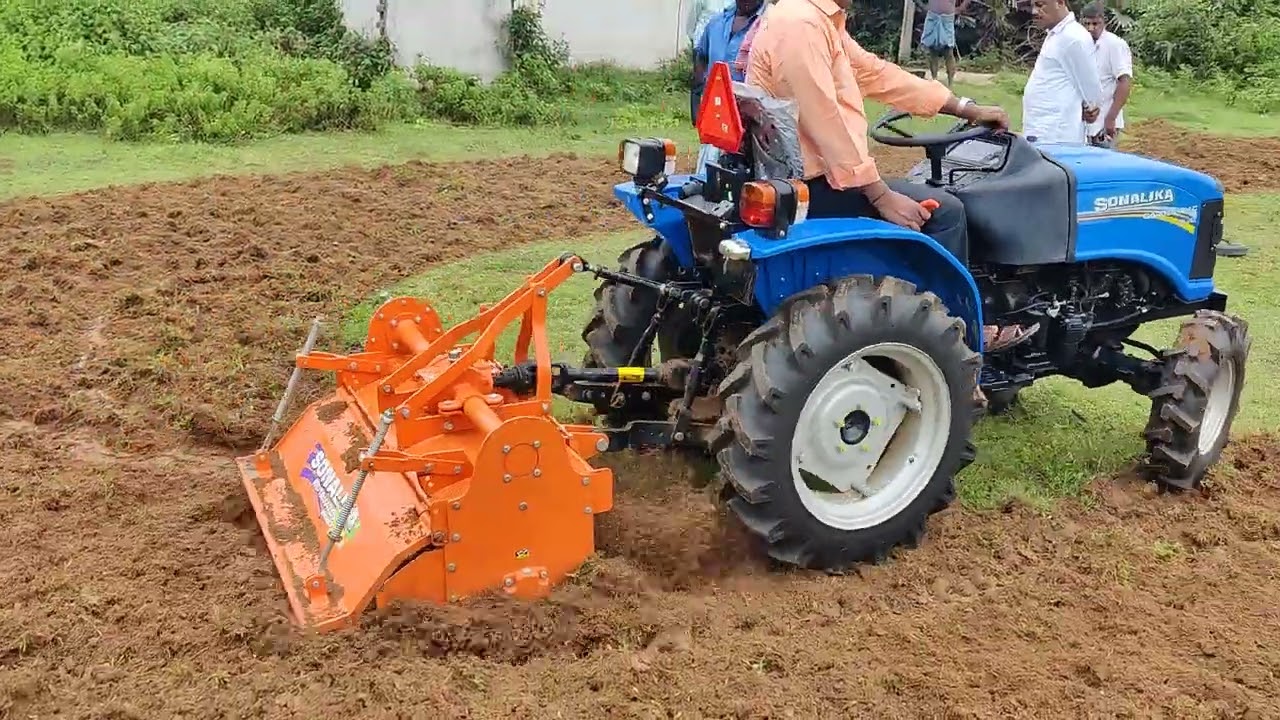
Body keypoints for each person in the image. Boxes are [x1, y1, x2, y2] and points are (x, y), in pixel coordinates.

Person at [744, 0, 1038, 382]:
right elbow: (825, 121)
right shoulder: (801, 23)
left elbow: (876, 73)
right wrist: (881, 195)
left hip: (811, 177)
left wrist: (963, 108)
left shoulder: (816, 19)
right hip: (815, 185)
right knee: (946, 211)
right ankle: (957, 342)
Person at [692, 0, 767, 173]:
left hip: (748, 132)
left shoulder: (768, 26)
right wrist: (699, 102)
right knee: (705, 182)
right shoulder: (716, 23)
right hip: (714, 123)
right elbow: (701, 58)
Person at [1021, 0, 1104, 145]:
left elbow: (1090, 89)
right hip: (1042, 130)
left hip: (1056, 135)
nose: (1034, 11)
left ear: (1059, 2)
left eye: (1040, 5)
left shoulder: (1073, 37)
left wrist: (1090, 108)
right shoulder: (1056, 34)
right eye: (1033, 6)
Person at [1079, 3, 1132, 149]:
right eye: (1086, 24)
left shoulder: (1115, 44)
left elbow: (1124, 82)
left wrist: (1111, 118)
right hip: (1083, 123)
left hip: (1104, 123)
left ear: (1104, 22)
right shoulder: (1081, 44)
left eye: (1095, 23)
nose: (1091, 28)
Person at [918, 0, 970, 88]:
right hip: (933, 16)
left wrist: (961, 8)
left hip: (947, 18)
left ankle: (950, 84)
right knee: (932, 51)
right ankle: (934, 81)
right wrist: (923, 6)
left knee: (948, 52)